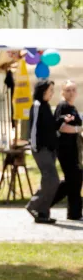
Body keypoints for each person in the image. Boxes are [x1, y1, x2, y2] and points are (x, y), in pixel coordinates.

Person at [26, 80, 64, 224]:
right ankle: (33, 205)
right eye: (50, 90)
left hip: (50, 149)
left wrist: (61, 120)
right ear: (43, 91)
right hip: (41, 149)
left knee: (48, 180)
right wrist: (35, 146)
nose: (52, 93)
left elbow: (50, 126)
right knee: (53, 180)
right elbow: (34, 128)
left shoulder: (46, 106)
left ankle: (43, 213)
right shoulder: (36, 105)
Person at [54, 81, 83, 220]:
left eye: (73, 90)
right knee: (73, 178)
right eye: (68, 90)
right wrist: (79, 129)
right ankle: (44, 202)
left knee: (75, 179)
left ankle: (75, 212)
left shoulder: (72, 107)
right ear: (62, 92)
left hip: (73, 149)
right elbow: (61, 127)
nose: (71, 92)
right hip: (65, 149)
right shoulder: (63, 106)